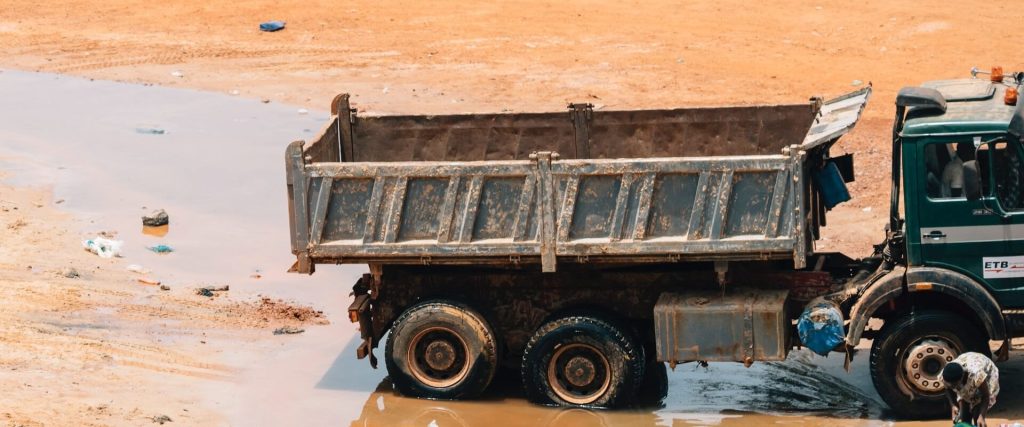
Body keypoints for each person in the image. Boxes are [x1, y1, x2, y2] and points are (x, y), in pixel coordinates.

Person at [940, 352, 999, 427]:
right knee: (964, 416)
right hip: (967, 360)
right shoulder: (945, 375)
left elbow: (985, 396)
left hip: (985, 368)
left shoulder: (977, 375)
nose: (953, 388)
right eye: (950, 385)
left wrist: (982, 417)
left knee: (977, 417)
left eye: (954, 385)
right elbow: (947, 388)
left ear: (961, 378)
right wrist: (953, 405)